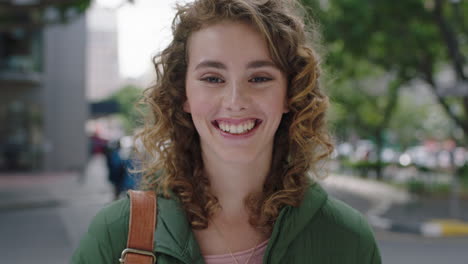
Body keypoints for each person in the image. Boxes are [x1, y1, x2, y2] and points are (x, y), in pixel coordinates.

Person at [71, 0, 381, 263]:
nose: (235, 102)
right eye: (212, 78)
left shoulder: (347, 240)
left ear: (291, 94)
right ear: (184, 95)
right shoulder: (117, 235)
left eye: (259, 78)